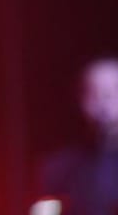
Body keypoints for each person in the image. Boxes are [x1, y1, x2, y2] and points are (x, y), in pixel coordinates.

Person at [36, 57, 118, 214]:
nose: (105, 100)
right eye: (94, 92)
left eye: (115, 91)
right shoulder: (58, 168)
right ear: (81, 99)